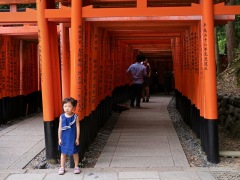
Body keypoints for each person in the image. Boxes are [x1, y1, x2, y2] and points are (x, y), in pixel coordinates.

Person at [58, 97, 80, 175]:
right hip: (64, 138)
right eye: (65, 106)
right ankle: (62, 167)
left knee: (75, 152)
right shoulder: (62, 117)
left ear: (73, 107)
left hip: (72, 137)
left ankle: (76, 166)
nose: (67, 108)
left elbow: (77, 127)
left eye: (69, 106)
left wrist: (77, 138)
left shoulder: (75, 117)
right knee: (63, 153)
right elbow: (60, 128)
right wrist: (59, 138)